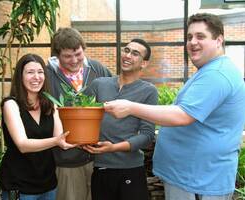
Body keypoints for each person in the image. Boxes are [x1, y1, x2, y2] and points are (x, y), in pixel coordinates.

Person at [104, 13, 245, 200]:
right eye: (189, 37)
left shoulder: (217, 74)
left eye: (200, 36)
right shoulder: (209, 71)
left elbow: (182, 115)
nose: (192, 42)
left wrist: (130, 107)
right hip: (191, 179)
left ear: (219, 40)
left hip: (199, 183)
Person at [82, 38, 158, 200]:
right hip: (101, 167)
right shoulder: (99, 84)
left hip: (130, 169)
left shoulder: (148, 91)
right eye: (126, 50)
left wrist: (113, 148)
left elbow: (147, 135)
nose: (128, 55)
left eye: (135, 53)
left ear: (143, 63)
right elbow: (81, 115)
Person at [47, 27, 112, 200]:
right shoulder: (47, 75)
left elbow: (114, 96)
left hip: (98, 156)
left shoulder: (97, 69)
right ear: (57, 55)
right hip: (67, 159)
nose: (74, 60)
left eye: (78, 53)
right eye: (67, 56)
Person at [0, 54, 76, 200]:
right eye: (30, 72)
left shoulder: (50, 104)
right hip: (19, 186)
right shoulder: (11, 105)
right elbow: (23, 145)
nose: (37, 77)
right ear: (20, 77)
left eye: (40, 72)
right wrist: (56, 141)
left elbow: (60, 137)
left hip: (48, 184)